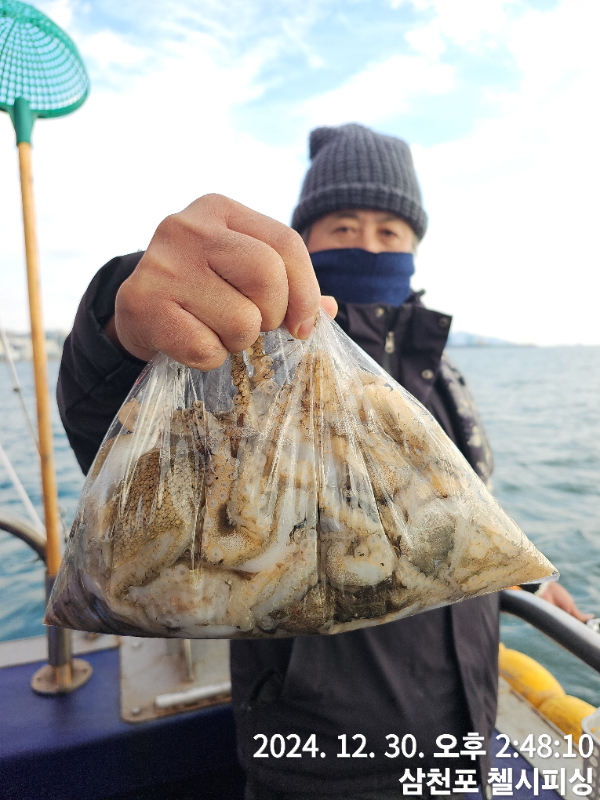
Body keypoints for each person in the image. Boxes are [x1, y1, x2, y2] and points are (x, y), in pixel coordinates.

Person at [57, 123, 590, 800]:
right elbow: (114, 425)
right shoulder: (246, 356)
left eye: (390, 230)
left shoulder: (436, 370)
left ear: (415, 245)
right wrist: (121, 319)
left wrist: (529, 585)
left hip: (464, 741)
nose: (369, 244)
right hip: (317, 761)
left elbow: (456, 516)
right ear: (304, 237)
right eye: (344, 226)